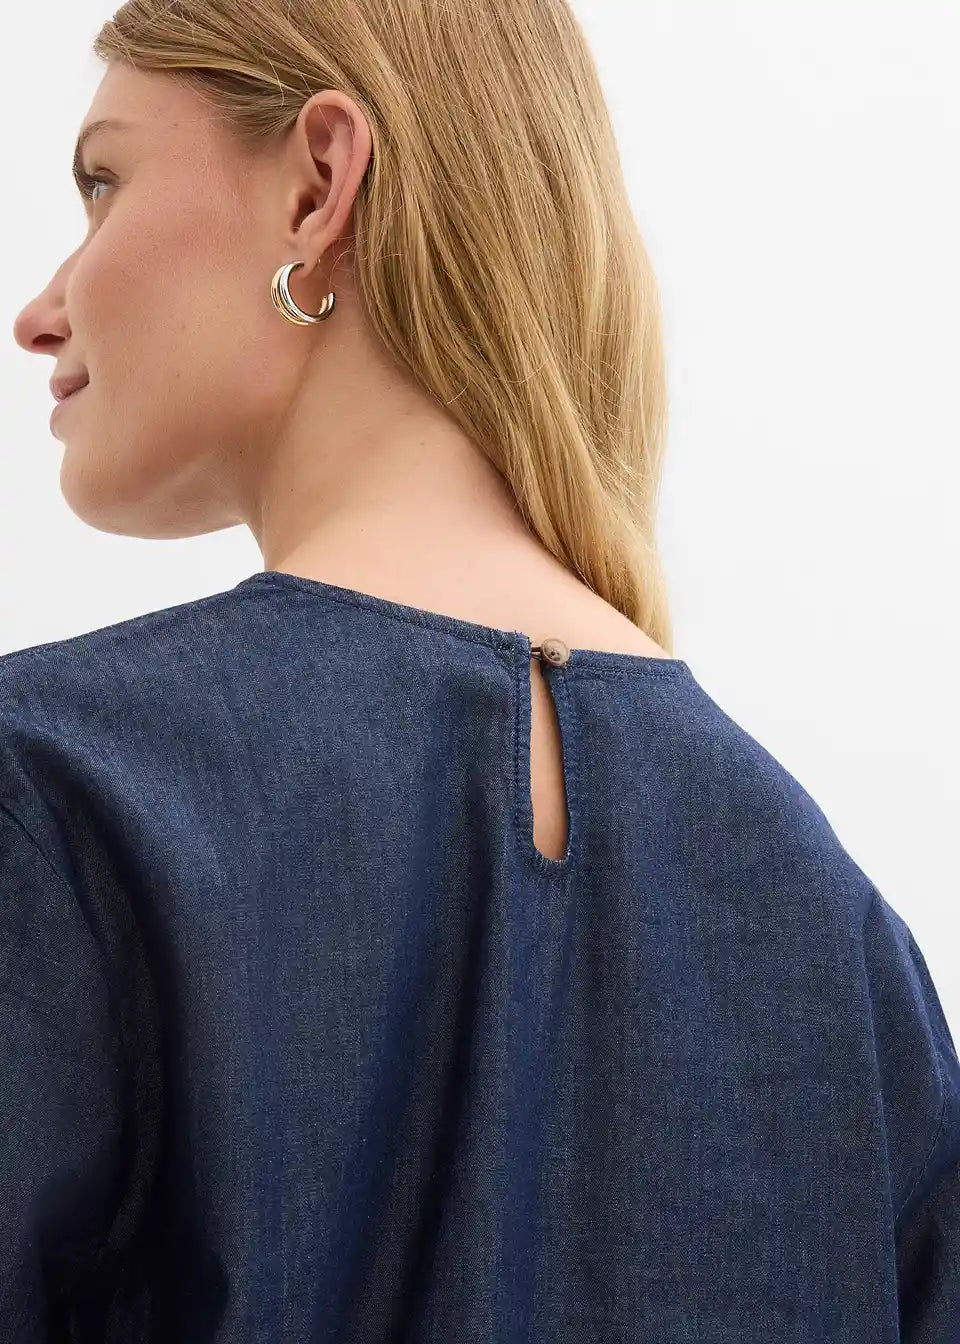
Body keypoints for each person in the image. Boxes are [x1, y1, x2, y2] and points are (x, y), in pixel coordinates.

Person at [5, 1, 958, 1339]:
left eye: (104, 182)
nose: (38, 314)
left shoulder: (55, 790)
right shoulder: (840, 941)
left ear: (319, 185)